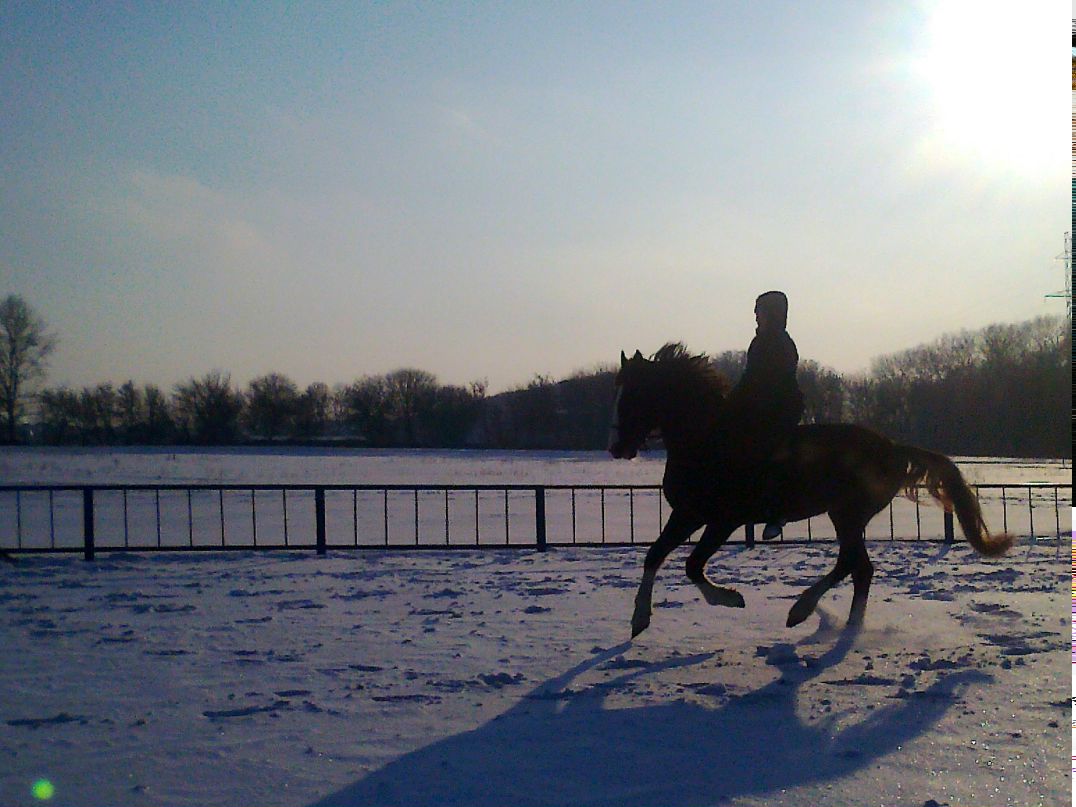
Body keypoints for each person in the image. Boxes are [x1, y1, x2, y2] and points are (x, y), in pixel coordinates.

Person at [723, 290, 805, 540]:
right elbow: (750, 378)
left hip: (779, 409)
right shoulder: (760, 342)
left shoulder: (780, 343)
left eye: (759, 311)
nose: (756, 317)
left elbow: (771, 381)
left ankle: (778, 510)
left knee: (767, 451)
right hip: (760, 407)